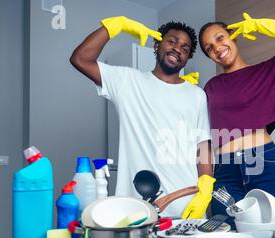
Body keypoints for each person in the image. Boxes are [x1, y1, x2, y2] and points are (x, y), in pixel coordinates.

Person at [70, 16, 214, 219]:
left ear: (187, 58)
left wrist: (206, 186)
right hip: (137, 207)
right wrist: (115, 26)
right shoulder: (127, 82)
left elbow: (203, 145)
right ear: (157, 45)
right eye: (171, 41)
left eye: (184, 48)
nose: (177, 49)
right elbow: (80, 59)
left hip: (187, 206)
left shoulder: (197, 94)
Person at [199, 13, 275, 224]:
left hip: (264, 162)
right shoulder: (210, 87)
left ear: (233, 36)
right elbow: (201, 135)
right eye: (209, 47)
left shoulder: (265, 71)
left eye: (220, 38)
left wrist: (264, 25)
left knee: (274, 233)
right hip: (225, 171)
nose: (216, 48)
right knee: (224, 232)